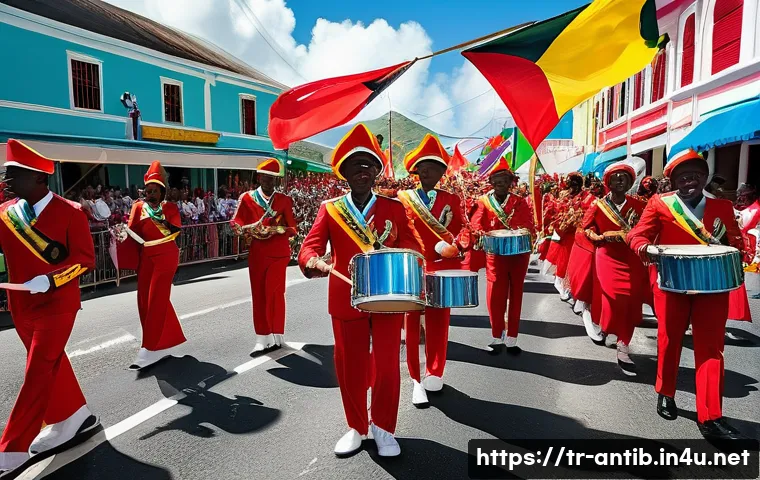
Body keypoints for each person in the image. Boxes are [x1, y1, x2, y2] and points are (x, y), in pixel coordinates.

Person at [297, 123, 423, 457]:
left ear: (377, 171)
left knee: (385, 366)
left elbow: (413, 248)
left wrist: (403, 259)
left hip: (388, 297)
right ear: (344, 172)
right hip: (345, 297)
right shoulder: (331, 208)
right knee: (349, 365)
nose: (363, 171)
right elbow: (308, 248)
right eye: (356, 165)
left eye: (369, 165)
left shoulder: (394, 207)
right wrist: (314, 262)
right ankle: (356, 426)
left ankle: (383, 427)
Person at [627, 149, 747, 441]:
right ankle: (666, 392)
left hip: (711, 286)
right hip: (672, 284)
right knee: (670, 340)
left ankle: (711, 415)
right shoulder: (660, 204)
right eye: (683, 175)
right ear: (673, 180)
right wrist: (647, 249)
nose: (689, 180)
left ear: (705, 177)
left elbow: (738, 244)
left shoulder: (722, 206)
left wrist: (730, 244)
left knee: (711, 348)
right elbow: (636, 236)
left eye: (695, 174)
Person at [0, 140, 100, 475]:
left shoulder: (70, 212)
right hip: (20, 305)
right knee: (49, 363)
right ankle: (75, 415)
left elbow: (86, 259)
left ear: (39, 178)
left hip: (57, 304)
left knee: (37, 370)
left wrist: (53, 279)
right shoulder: (6, 212)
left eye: (14, 173)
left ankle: (12, 449)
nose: (6, 178)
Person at [396, 134, 469, 407]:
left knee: (439, 323)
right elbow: (396, 234)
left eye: (434, 167)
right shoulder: (403, 199)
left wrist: (457, 246)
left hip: (442, 269)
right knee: (411, 325)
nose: (428, 172)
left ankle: (435, 371)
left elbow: (465, 230)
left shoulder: (451, 198)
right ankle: (415, 378)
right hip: (413, 268)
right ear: (416, 170)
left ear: (441, 172)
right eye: (423, 167)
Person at [582, 162, 648, 374]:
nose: (619, 180)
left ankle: (623, 344)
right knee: (613, 295)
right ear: (608, 182)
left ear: (630, 182)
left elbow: (647, 229)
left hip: (632, 259)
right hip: (607, 256)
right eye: (615, 177)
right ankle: (605, 326)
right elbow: (586, 227)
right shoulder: (597, 205)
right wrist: (595, 235)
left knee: (630, 299)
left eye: (624, 177)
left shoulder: (639, 205)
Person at [121, 161, 186, 370]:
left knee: (156, 299)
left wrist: (159, 216)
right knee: (144, 301)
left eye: (154, 191)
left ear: (162, 191)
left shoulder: (170, 208)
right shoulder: (137, 207)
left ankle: (148, 349)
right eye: (147, 191)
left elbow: (175, 231)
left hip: (166, 254)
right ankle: (164, 342)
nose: (150, 194)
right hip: (147, 255)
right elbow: (132, 233)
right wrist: (120, 235)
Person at [232, 158, 297, 355]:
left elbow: (292, 228)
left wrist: (277, 229)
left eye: (273, 178)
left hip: (278, 253)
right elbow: (236, 222)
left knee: (275, 293)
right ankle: (262, 337)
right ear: (259, 177)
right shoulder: (247, 198)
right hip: (258, 253)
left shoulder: (284, 200)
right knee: (259, 294)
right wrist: (243, 229)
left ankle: (278, 334)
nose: (270, 181)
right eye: (266, 177)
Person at [471, 158, 535, 353]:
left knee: (516, 293)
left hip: (518, 254)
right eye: (497, 181)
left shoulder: (520, 201)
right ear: (491, 183)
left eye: (504, 181)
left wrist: (520, 232)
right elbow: (475, 223)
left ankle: (512, 336)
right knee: (495, 294)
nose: (500, 185)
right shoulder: (483, 202)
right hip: (495, 254)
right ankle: (497, 334)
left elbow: (529, 225)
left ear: (510, 183)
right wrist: (480, 233)